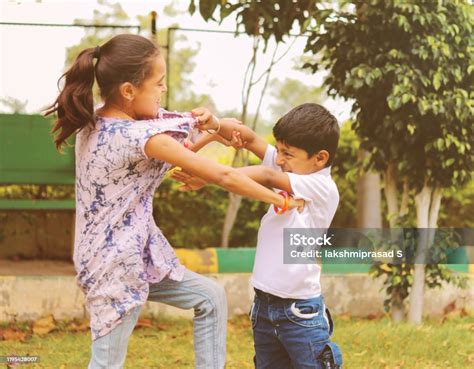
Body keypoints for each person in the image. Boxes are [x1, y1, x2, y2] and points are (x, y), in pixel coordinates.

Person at [45, 33, 303, 369]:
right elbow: (223, 176)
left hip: (132, 256)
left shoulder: (95, 121)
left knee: (210, 297)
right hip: (114, 267)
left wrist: (215, 130)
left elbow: (164, 153)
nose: (163, 91)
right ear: (128, 90)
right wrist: (279, 199)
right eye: (159, 83)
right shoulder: (138, 136)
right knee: (106, 362)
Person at [173, 103, 344, 368]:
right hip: (264, 307)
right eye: (279, 150)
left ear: (319, 158)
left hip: (300, 312)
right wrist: (216, 125)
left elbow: (265, 175)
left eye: (287, 153)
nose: (279, 159)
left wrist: (206, 177)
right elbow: (250, 138)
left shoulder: (322, 186)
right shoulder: (291, 167)